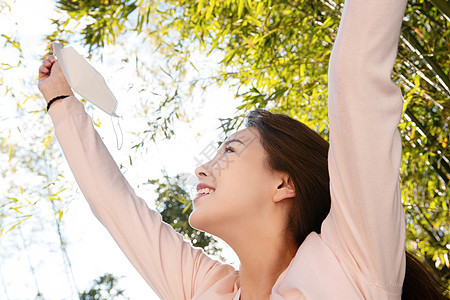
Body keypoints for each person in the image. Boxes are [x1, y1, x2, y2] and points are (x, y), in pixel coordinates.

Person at [38, 0, 448, 298]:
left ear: (284, 183)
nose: (202, 168)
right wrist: (61, 103)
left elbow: (355, 77)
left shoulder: (351, 264)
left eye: (229, 151)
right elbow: (117, 209)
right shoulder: (208, 291)